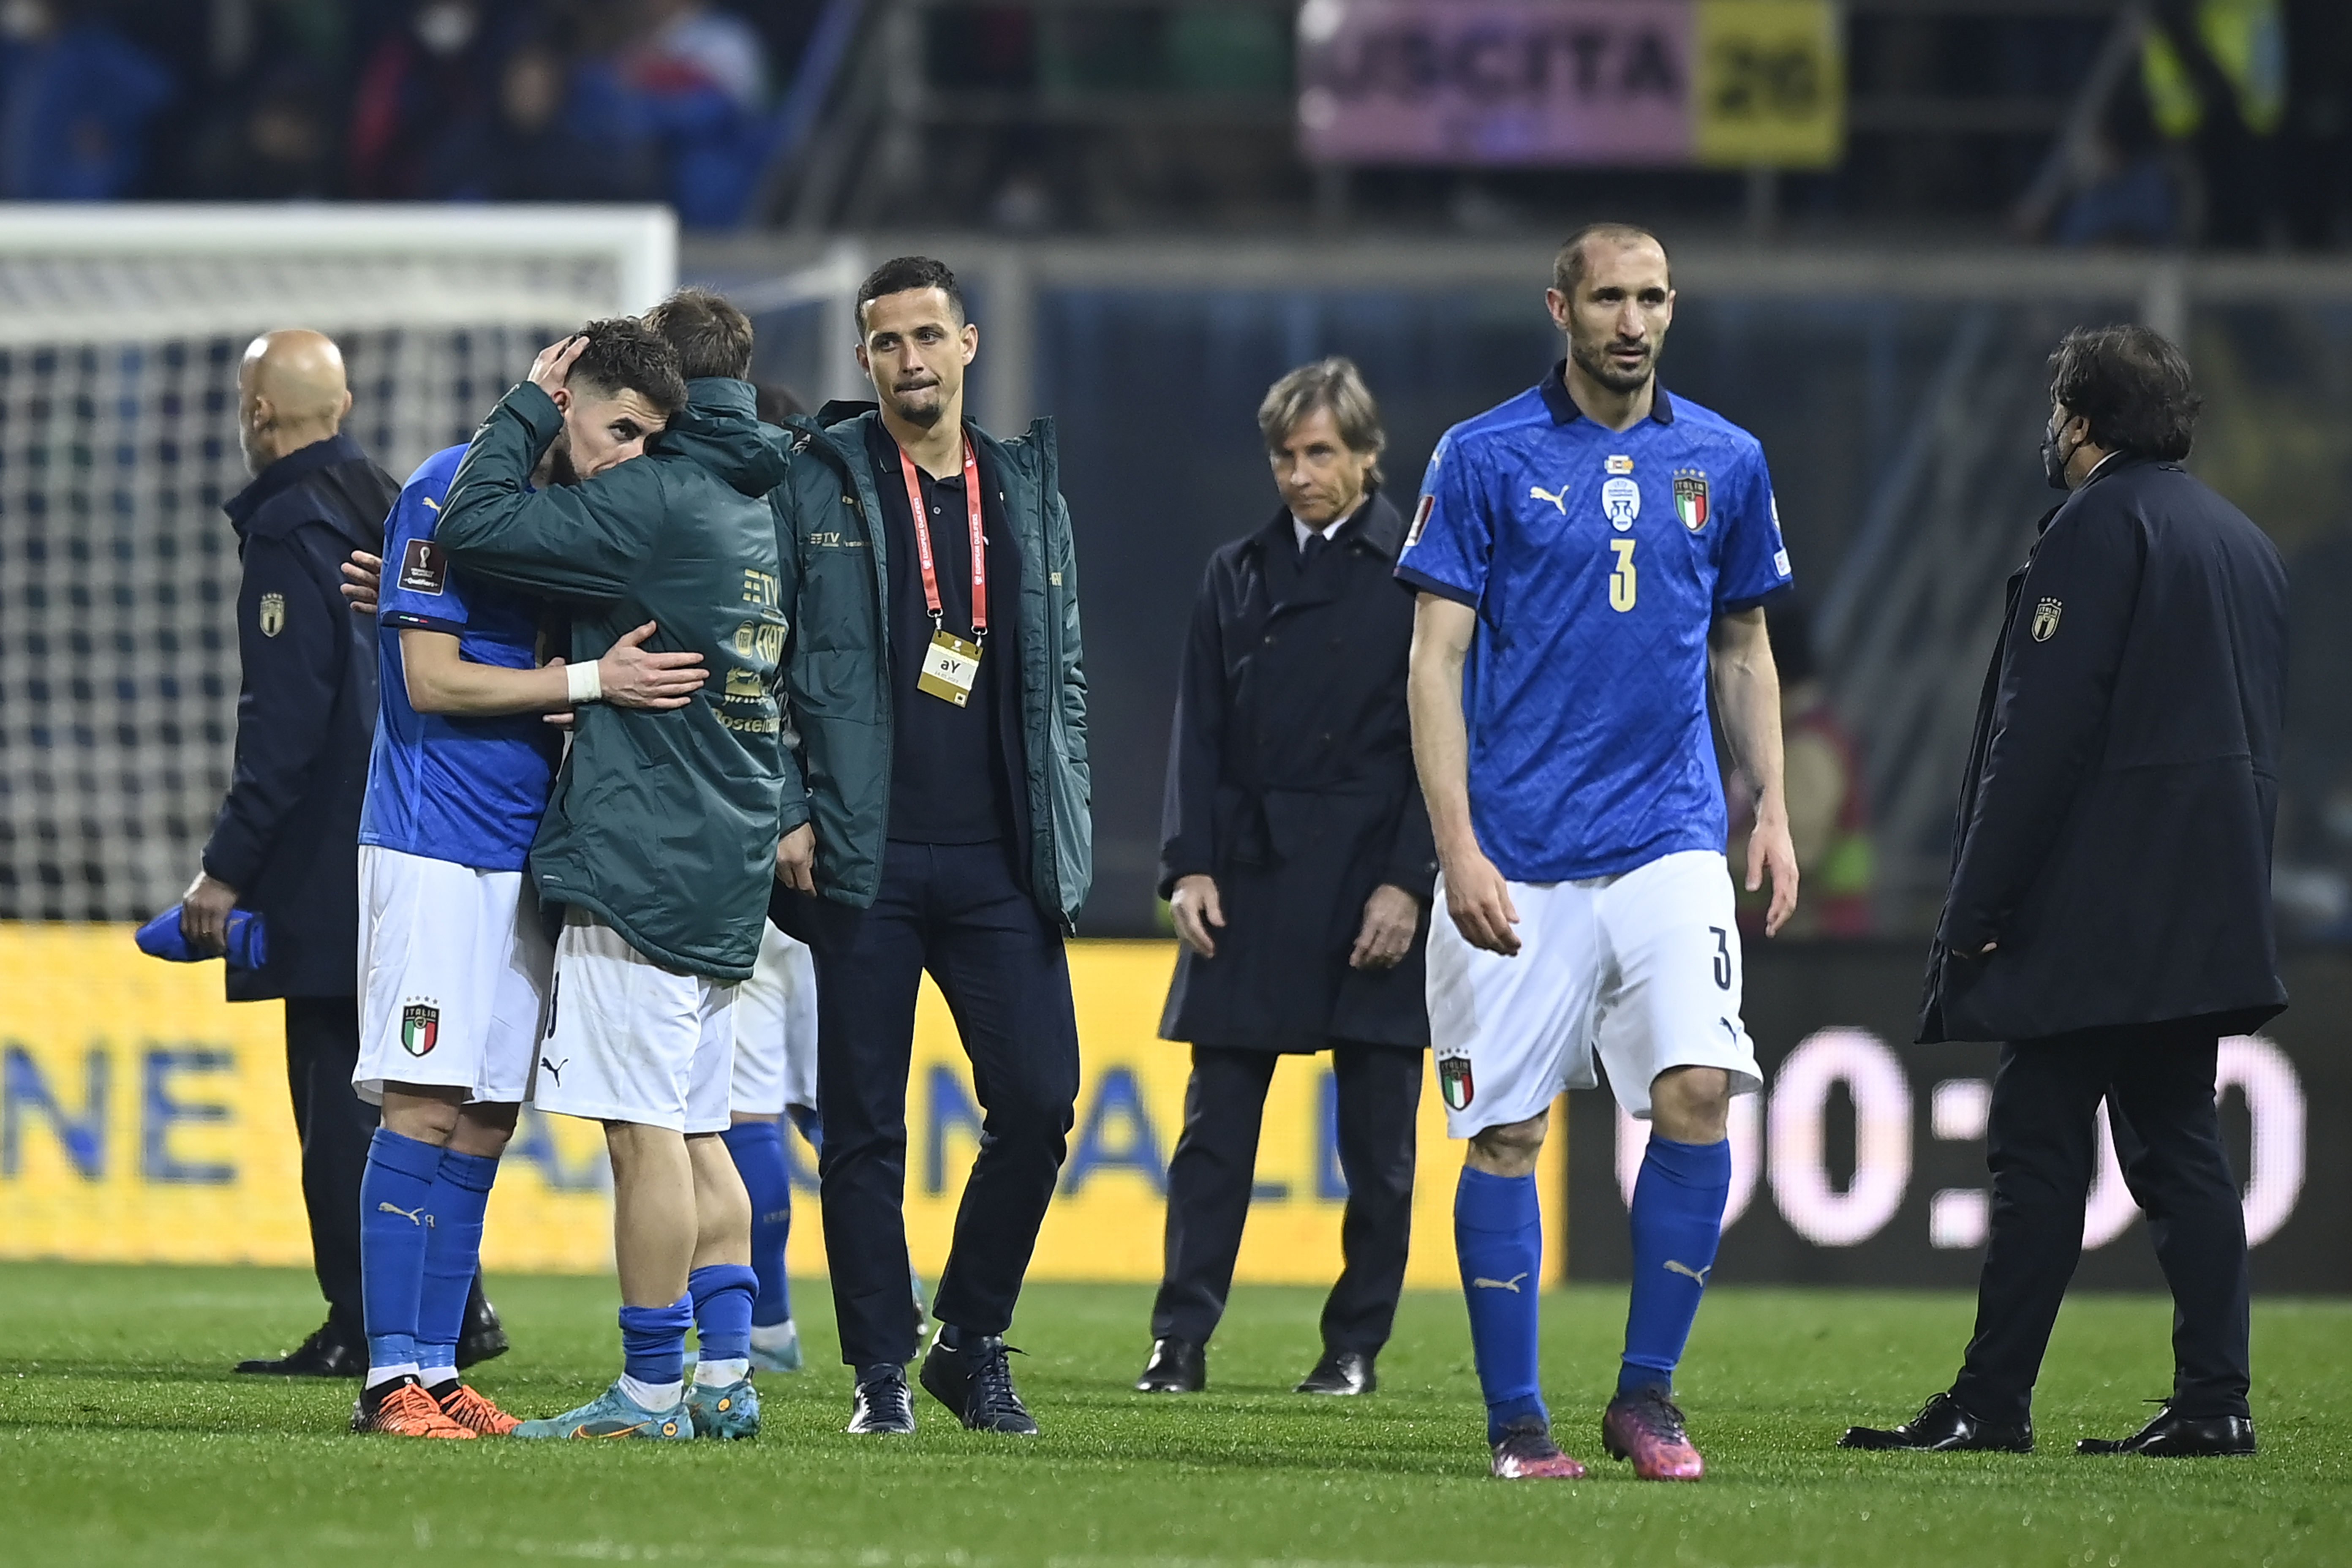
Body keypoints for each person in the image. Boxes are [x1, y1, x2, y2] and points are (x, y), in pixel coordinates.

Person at [1843, 325, 2287, 1460]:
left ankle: (1993, 1403)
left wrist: (1976, 909)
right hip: (2206, 906)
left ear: (2082, 421)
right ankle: (2215, 1400)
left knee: (2037, 1146)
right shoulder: (2245, 545)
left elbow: (2035, 743)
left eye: (2058, 409)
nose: (2050, 429)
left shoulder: (2095, 531)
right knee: (2182, 1145)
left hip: (2092, 916)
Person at [1400, 225, 1798, 1482]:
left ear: (1674, 309)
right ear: (1560, 307)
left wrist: (1770, 810)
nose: (1632, 321)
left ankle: (1648, 1397)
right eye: (1609, 299)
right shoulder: (1482, 455)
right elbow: (1435, 660)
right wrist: (1456, 845)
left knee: (1695, 1094)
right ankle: (1519, 1422)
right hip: (1515, 850)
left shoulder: (1726, 461)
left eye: (1653, 299)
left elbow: (1744, 648)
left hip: (1668, 838)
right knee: (1507, 1134)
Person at [433, 290, 790, 1442]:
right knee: (699, 1134)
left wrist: (532, 405)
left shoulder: (661, 495)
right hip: (725, 844)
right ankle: (726, 1379)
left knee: (643, 1141)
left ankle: (647, 1393)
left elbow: (475, 529)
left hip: (646, 852)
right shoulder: (763, 493)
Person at [345, 320, 707, 1439]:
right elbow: (432, 679)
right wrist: (594, 679)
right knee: (424, 1102)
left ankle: (441, 1370)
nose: (627, 456)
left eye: (650, 439)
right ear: (563, 403)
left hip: (525, 853)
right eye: (619, 429)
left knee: (492, 1115)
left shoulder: (581, 522)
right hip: (432, 840)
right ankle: (386, 1379)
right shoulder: (450, 491)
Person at [767, 255, 1090, 1437]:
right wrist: (787, 806)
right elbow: (760, 661)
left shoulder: (1024, 489)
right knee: (864, 1126)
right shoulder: (823, 483)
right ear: (864, 360)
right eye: (888, 341)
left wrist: (1067, 824)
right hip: (864, 856)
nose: (911, 359)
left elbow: (1061, 678)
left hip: (1001, 856)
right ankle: (879, 1374)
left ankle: (966, 1339)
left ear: (969, 345)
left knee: (1042, 1102)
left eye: (928, 336)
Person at [188, 329, 499, 1380]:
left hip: (328, 857)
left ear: (259, 415)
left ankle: (368, 1323)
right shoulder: (389, 496)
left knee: (341, 1105)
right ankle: (457, 1310)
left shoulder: (287, 523)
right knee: (428, 1089)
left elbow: (282, 719)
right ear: (348, 401)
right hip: (426, 826)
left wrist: (225, 868)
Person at [1137, 358, 1433, 1399]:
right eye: (1285, 454)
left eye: (1320, 453)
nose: (1300, 474)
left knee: (1381, 1156)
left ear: (1365, 455)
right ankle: (1179, 1340)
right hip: (1252, 877)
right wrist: (1189, 866)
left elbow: (1443, 744)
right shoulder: (1238, 571)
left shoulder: (1423, 568)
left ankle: (1353, 1346)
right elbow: (1200, 733)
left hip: (1373, 882)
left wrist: (1410, 880)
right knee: (1214, 1138)